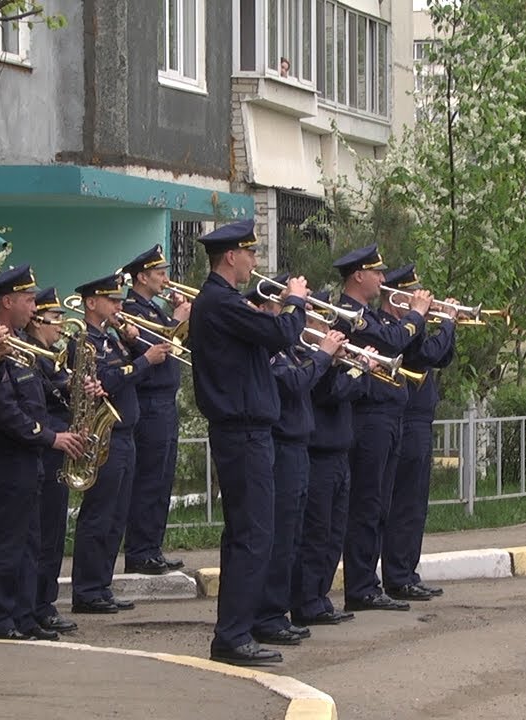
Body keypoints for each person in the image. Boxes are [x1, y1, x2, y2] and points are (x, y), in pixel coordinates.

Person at [189, 218, 308, 666]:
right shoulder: (219, 302)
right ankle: (234, 634)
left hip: (247, 431)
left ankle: (240, 627)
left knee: (250, 532)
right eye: (251, 253)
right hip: (242, 433)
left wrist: (274, 314)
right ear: (232, 256)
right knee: (253, 535)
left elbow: (263, 340)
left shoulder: (226, 304)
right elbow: (281, 336)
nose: (255, 262)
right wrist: (294, 303)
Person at [332, 245, 431, 613]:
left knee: (379, 505)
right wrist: (417, 315)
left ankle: (368, 583)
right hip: (368, 419)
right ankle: (360, 586)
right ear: (359, 275)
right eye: (376, 273)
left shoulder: (366, 314)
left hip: (386, 418)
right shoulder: (350, 314)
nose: (381, 279)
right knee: (366, 505)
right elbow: (390, 342)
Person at [247, 273, 341, 647]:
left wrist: (328, 359)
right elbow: (295, 384)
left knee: (295, 534)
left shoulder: (290, 347)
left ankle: (279, 610)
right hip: (282, 447)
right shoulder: (271, 349)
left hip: (299, 446)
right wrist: (323, 357)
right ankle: (268, 614)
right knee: (281, 534)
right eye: (284, 306)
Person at [71, 272, 171, 616]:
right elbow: (107, 380)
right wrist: (143, 361)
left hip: (125, 433)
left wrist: (132, 341)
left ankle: (102, 584)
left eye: (117, 300)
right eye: (111, 300)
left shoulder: (111, 339)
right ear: (91, 303)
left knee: (116, 515)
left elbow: (123, 369)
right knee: (100, 514)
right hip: (106, 435)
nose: (118, 305)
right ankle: (86, 589)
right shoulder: (84, 341)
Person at [0, 266, 87, 641]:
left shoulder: (18, 344)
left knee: (31, 541)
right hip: (9, 457)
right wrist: (50, 437)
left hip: (28, 457)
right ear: (7, 301)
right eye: (28, 299)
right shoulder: (2, 348)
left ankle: (24, 614)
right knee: (8, 543)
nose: (34, 308)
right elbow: (5, 410)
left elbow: (40, 392)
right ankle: (2, 620)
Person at [291, 291, 369, 627]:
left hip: (339, 452)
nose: (325, 327)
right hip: (318, 454)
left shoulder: (325, 361)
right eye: (317, 320)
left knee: (334, 532)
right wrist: (355, 371)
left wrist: (353, 368)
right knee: (316, 533)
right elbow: (330, 394)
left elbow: (354, 392)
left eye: (326, 320)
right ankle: (307, 600)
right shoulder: (305, 358)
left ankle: (320, 596)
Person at [380, 264, 457, 601]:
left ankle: (407, 571)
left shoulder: (411, 326)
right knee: (405, 501)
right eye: (412, 295)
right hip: (408, 418)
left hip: (419, 417)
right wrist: (447, 323)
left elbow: (441, 358)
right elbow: (427, 354)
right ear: (396, 297)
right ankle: (398, 575)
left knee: (416, 502)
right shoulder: (397, 328)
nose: (420, 300)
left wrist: (446, 326)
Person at [121, 244, 190, 575]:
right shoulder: (132, 310)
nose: (166, 279)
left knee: (162, 478)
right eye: (160, 274)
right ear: (142, 276)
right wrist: (177, 320)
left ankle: (152, 546)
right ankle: (140, 550)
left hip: (164, 401)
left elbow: (179, 346)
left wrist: (178, 318)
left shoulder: (157, 310)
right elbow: (156, 348)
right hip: (149, 401)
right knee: (149, 477)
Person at [25, 287, 78, 634]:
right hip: (45, 447)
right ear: (37, 320)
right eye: (55, 318)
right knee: (41, 534)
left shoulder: (50, 356)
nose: (60, 326)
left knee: (54, 531)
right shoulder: (36, 358)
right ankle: (37, 605)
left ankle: (45, 601)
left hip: (58, 447)